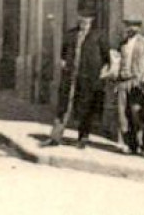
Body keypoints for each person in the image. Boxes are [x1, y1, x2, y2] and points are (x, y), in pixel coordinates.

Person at [46, 10, 110, 149]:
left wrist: (102, 73)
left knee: (85, 108)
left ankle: (83, 138)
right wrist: (64, 64)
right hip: (71, 76)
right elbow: (63, 54)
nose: (84, 21)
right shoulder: (71, 34)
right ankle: (55, 137)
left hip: (89, 78)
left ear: (92, 20)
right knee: (63, 106)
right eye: (81, 18)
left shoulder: (99, 36)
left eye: (87, 18)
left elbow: (107, 57)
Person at [117, 17, 144, 156]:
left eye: (134, 26)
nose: (130, 29)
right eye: (128, 25)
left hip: (138, 83)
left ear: (139, 28)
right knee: (123, 115)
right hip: (123, 82)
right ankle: (131, 145)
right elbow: (118, 62)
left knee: (138, 114)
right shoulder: (123, 43)